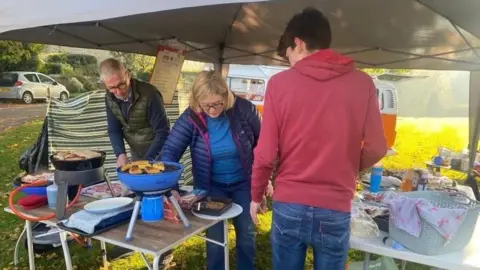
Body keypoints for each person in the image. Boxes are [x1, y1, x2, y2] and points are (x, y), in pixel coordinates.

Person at [249, 7, 387, 270]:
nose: (289, 62)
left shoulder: (279, 85)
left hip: (290, 204)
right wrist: (349, 167)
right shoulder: (362, 83)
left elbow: (265, 153)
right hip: (335, 205)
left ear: (298, 43)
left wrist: (256, 196)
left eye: (288, 54)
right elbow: (377, 146)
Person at [160, 70, 261, 270]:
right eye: (206, 105)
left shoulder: (244, 110)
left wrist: (263, 182)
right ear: (197, 100)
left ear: (226, 96)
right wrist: (172, 187)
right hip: (211, 186)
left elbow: (264, 145)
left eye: (217, 104)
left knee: (246, 235)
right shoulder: (191, 117)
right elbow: (169, 153)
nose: (213, 110)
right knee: (215, 238)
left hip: (243, 182)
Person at [101, 58, 170, 167]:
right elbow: (114, 129)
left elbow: (163, 131)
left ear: (128, 75)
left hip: (159, 151)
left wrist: (148, 161)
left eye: (121, 85)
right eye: (112, 88)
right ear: (105, 84)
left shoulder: (150, 94)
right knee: (138, 183)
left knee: (161, 183)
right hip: (136, 151)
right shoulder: (109, 97)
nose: (118, 92)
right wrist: (120, 154)